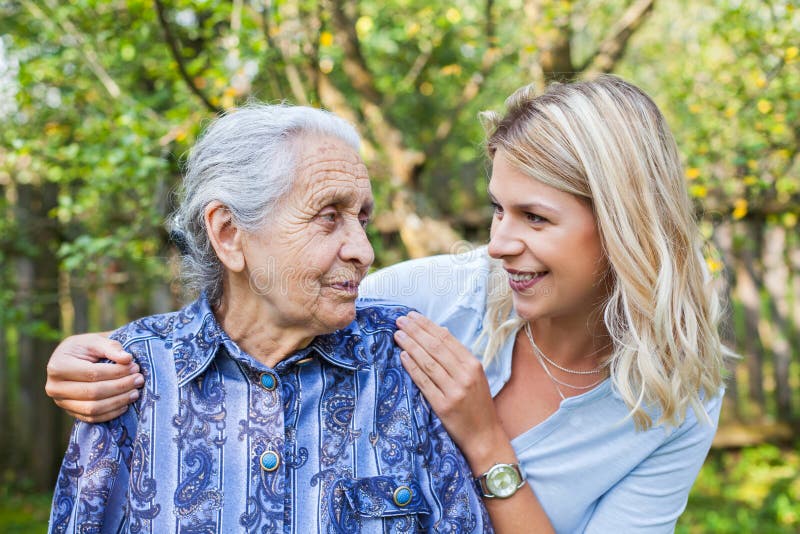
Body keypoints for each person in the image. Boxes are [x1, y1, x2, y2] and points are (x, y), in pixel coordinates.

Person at [46, 76, 728, 532]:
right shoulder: (430, 299)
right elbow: (265, 307)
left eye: (535, 218)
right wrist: (91, 357)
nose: (498, 245)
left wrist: (485, 439)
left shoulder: (680, 399)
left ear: (623, 226)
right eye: (496, 211)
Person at [47, 103, 491, 533]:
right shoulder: (132, 381)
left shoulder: (404, 361)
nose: (364, 250)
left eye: (362, 219)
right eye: (329, 216)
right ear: (229, 233)